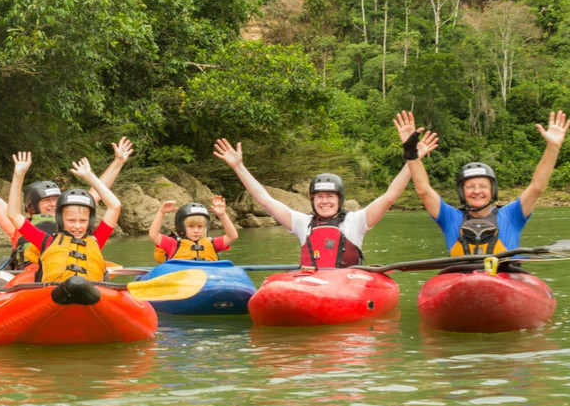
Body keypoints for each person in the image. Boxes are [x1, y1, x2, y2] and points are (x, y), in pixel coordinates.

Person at [212, 119, 437, 268]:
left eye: (330, 196)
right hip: (312, 284)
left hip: (347, 284)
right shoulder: (303, 223)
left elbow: (390, 196)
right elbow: (264, 199)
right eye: (319, 196)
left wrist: (412, 159)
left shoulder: (357, 220)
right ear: (313, 200)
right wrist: (238, 166)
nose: (324, 201)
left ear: (340, 199)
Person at [395, 109, 568, 254]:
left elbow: (537, 187)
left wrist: (553, 147)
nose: (477, 191)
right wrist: (411, 153)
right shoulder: (450, 218)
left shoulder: (512, 215)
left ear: (492, 190)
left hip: (505, 284)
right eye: (470, 186)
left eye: (483, 186)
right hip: (464, 285)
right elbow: (423, 190)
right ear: (462, 192)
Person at [0, 136, 133, 270]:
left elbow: (101, 196)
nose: (53, 204)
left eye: (56, 200)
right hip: (32, 273)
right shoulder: (24, 227)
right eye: (47, 201)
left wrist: (118, 162)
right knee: (2, 275)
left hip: (74, 271)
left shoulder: (74, 217)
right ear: (32, 207)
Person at [6, 151, 123, 283]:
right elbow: (13, 214)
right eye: (71, 220)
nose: (77, 226)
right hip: (56, 294)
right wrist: (18, 174)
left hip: (89, 293)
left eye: (83, 221)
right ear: (61, 220)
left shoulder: (97, 240)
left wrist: (90, 177)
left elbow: (115, 206)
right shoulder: (46, 242)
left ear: (89, 221)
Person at [148, 196, 239, 263]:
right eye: (191, 227)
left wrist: (222, 215)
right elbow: (154, 235)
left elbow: (232, 236)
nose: (196, 230)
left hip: (208, 278)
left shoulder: (213, 243)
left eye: (200, 227)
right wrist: (161, 212)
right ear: (181, 228)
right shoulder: (172, 244)